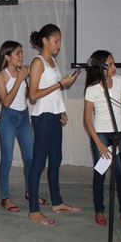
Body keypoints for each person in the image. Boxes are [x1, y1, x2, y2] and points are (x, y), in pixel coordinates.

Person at [27, 24, 81, 227]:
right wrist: (61, 84)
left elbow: (55, 93)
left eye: (60, 41)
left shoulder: (53, 61)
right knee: (39, 163)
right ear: (45, 41)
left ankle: (57, 202)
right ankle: (33, 210)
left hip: (54, 116)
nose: (59, 44)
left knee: (56, 159)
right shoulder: (37, 62)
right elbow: (33, 95)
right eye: (56, 40)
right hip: (42, 117)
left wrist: (62, 110)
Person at [0, 40, 49, 214]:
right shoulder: (0, 76)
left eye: (22, 52)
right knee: (7, 159)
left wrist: (29, 80)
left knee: (31, 158)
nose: (21, 56)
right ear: (7, 56)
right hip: (8, 118)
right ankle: (5, 197)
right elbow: (7, 101)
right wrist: (20, 79)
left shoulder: (23, 72)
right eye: (17, 53)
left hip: (23, 116)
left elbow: (30, 97)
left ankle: (31, 192)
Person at [83, 50, 121, 228]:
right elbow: (87, 119)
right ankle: (99, 209)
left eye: (114, 64)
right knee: (100, 173)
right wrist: (98, 144)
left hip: (118, 134)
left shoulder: (120, 82)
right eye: (110, 64)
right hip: (100, 134)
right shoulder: (92, 89)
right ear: (100, 67)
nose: (115, 67)